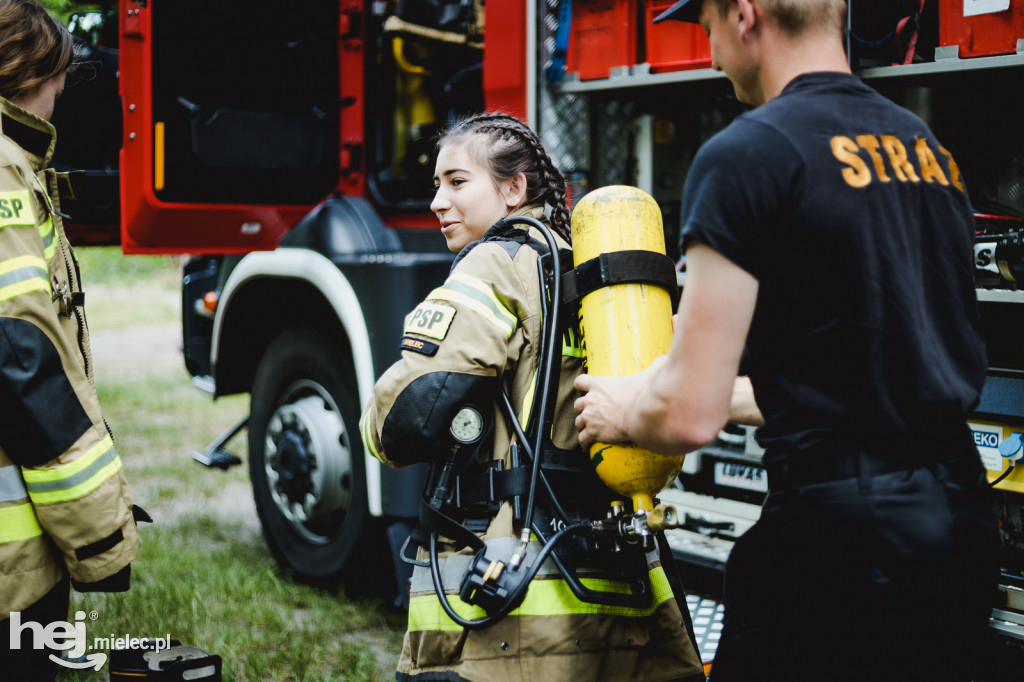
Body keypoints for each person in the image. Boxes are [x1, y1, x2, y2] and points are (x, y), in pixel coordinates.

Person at [574, 0, 1000, 680]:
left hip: (836, 546)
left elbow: (690, 409)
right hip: (958, 524)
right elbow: (848, 379)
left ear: (745, 16)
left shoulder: (748, 155)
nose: (709, 50)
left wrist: (624, 408)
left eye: (706, 24)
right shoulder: (926, 149)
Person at [360, 112, 705, 682]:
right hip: (613, 566)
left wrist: (374, 420)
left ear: (513, 188)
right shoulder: (588, 273)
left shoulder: (495, 260)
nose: (437, 202)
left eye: (457, 182)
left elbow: (410, 414)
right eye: (435, 186)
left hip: (514, 583)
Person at [0, 1, 142, 678]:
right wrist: (99, 535)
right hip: (12, 571)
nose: (61, 94)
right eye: (59, 76)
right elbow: (20, 358)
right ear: (33, 72)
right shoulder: (3, 172)